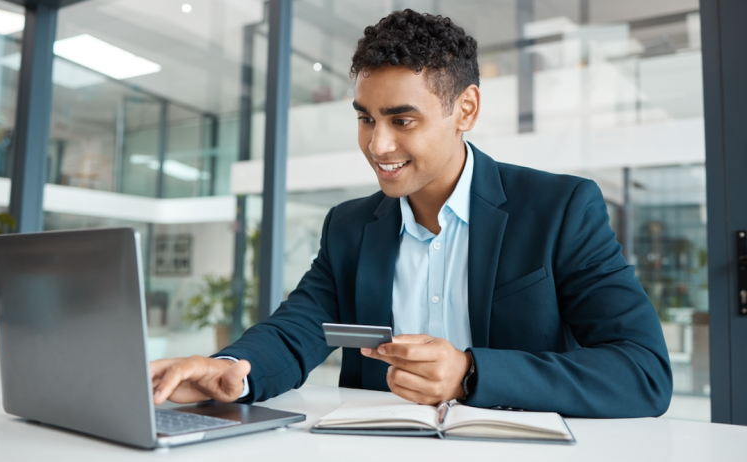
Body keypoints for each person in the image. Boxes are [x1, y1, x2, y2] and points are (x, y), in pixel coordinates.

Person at [151, 9, 672, 418]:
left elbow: (642, 371)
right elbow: (297, 330)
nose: (378, 145)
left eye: (402, 119)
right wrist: (227, 370)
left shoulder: (560, 208)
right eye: (366, 119)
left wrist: (471, 373)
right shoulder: (350, 227)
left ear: (465, 109)